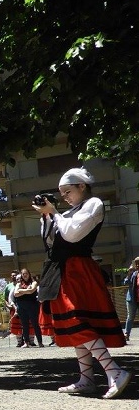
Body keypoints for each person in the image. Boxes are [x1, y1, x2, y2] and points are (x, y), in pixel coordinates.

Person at [33, 167, 131, 398]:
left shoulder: (93, 203)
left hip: (77, 270)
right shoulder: (67, 212)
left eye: (67, 191)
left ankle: (114, 371)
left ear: (82, 186)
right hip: (63, 270)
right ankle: (87, 378)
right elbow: (49, 241)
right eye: (61, 193)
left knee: (77, 322)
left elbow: (71, 234)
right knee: (73, 325)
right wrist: (46, 215)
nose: (64, 196)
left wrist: (55, 212)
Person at [13, 268, 42, 348]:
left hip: (32, 306)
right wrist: (26, 290)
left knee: (35, 324)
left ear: (29, 274)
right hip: (22, 307)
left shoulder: (34, 282)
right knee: (24, 325)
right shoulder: (18, 284)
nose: (25, 275)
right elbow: (15, 294)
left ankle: (40, 342)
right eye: (23, 274)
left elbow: (32, 290)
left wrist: (21, 291)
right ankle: (26, 342)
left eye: (26, 273)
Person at [123, 257, 139, 340]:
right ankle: (126, 334)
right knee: (130, 317)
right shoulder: (134, 274)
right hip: (132, 299)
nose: (137, 265)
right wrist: (129, 272)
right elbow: (126, 282)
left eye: (138, 263)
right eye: (136, 263)